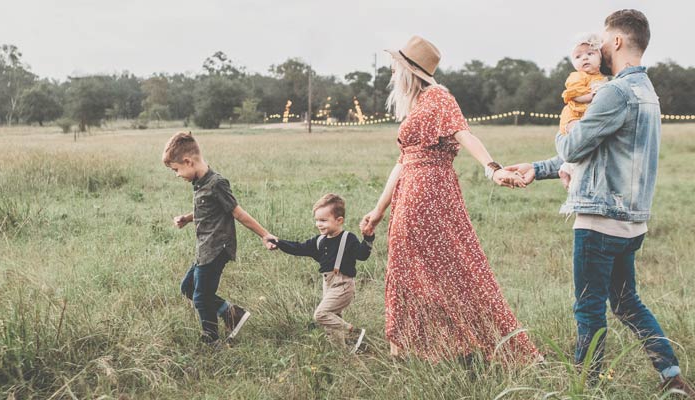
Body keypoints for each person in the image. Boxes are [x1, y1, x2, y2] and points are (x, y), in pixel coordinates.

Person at [505, 10, 695, 397]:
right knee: (627, 303)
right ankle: (672, 377)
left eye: (602, 39)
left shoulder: (614, 92)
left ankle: (585, 387)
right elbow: (599, 153)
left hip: (599, 219)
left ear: (617, 42)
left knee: (588, 308)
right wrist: (538, 168)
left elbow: (575, 145)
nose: (597, 47)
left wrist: (567, 127)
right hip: (631, 221)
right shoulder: (647, 92)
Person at [359, 35, 542, 364]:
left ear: (409, 71)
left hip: (429, 193)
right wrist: (378, 209)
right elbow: (402, 163)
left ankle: (463, 344)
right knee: (408, 269)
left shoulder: (438, 97)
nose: (391, 73)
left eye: (395, 67)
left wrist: (492, 169)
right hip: (410, 192)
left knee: (450, 268)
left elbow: (464, 133)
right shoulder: (416, 105)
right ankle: (414, 348)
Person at [163, 131, 278, 346]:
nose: (177, 175)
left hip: (216, 249)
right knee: (188, 288)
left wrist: (265, 235)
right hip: (204, 249)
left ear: (188, 161)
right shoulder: (200, 183)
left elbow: (237, 212)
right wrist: (188, 218)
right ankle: (232, 314)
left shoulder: (217, 183)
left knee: (201, 297)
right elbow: (207, 209)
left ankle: (211, 339)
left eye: (176, 170)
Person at [269, 194, 371, 353]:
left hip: (343, 284)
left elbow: (362, 255)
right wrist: (278, 242)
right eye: (317, 220)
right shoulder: (319, 241)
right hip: (328, 284)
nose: (319, 224)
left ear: (339, 220)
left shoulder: (347, 238)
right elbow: (299, 248)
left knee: (321, 314)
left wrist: (368, 237)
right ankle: (341, 354)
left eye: (323, 220)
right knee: (331, 323)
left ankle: (353, 333)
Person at [557, 32, 609, 189]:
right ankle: (569, 169)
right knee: (580, 137)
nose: (584, 58)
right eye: (578, 57)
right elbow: (574, 95)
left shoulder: (602, 78)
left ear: (600, 58)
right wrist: (591, 96)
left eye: (590, 54)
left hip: (585, 115)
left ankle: (567, 168)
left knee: (587, 144)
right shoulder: (577, 76)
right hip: (573, 116)